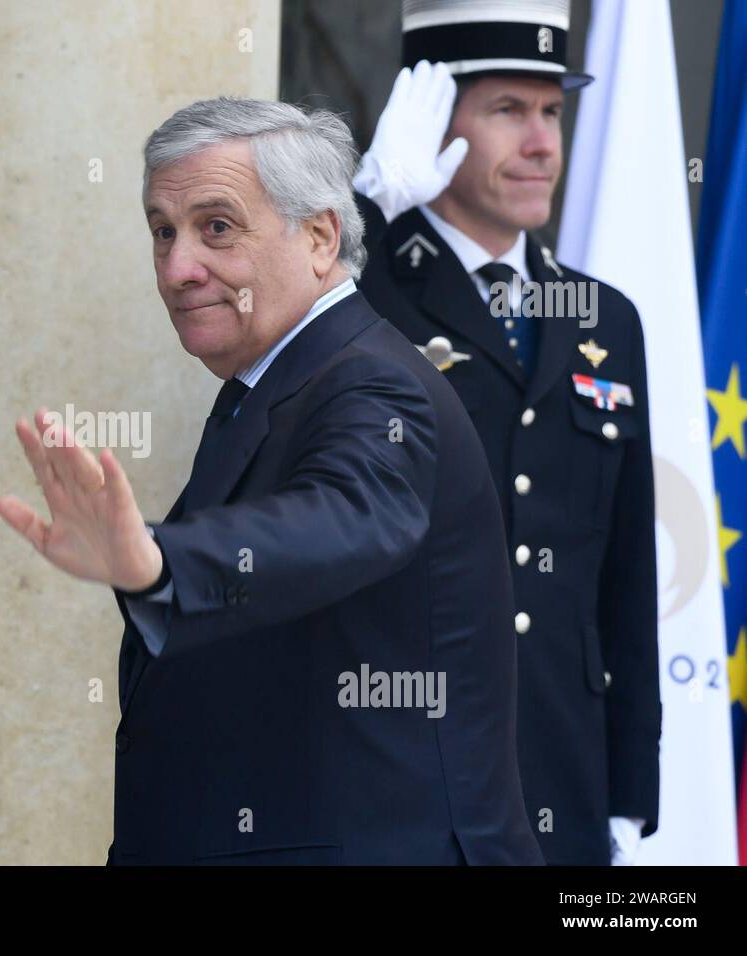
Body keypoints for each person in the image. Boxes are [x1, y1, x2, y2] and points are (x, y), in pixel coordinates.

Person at [0, 97, 543, 865]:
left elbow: (345, 518)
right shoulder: (279, 377)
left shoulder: (373, 386)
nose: (179, 267)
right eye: (163, 231)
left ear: (320, 237)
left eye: (216, 227)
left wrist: (161, 564)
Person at [352, 0, 661, 865]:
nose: (542, 144)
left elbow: (625, 566)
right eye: (508, 111)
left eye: (553, 111)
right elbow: (280, 347)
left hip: (562, 776)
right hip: (402, 780)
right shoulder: (363, 291)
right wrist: (364, 214)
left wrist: (631, 782)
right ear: (432, 118)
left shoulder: (606, 318)